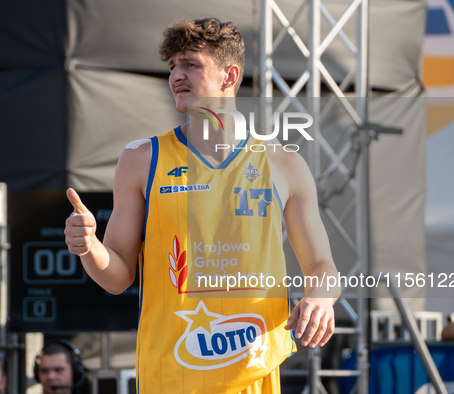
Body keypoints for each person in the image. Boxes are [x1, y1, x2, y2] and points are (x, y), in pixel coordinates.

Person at [64, 17, 340, 393]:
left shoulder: (283, 162)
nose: (177, 75)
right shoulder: (142, 159)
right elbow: (117, 276)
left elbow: (322, 265)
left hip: (252, 374)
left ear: (229, 76)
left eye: (190, 64)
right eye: (172, 66)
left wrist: (320, 298)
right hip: (170, 373)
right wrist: (88, 247)